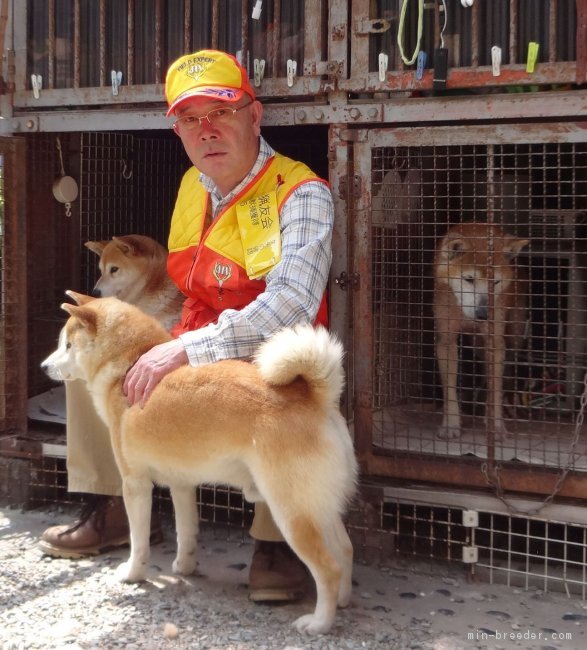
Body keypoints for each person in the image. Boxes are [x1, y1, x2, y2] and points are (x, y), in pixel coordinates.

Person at [40, 49, 334, 603]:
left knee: (274, 396)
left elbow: (293, 302)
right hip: (195, 336)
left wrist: (188, 350)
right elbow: (183, 287)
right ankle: (117, 507)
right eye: (190, 118)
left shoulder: (301, 193)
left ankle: (277, 542)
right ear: (176, 129)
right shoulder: (191, 188)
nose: (207, 130)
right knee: (89, 359)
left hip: (265, 349)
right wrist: (145, 342)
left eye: (221, 112)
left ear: (255, 115)